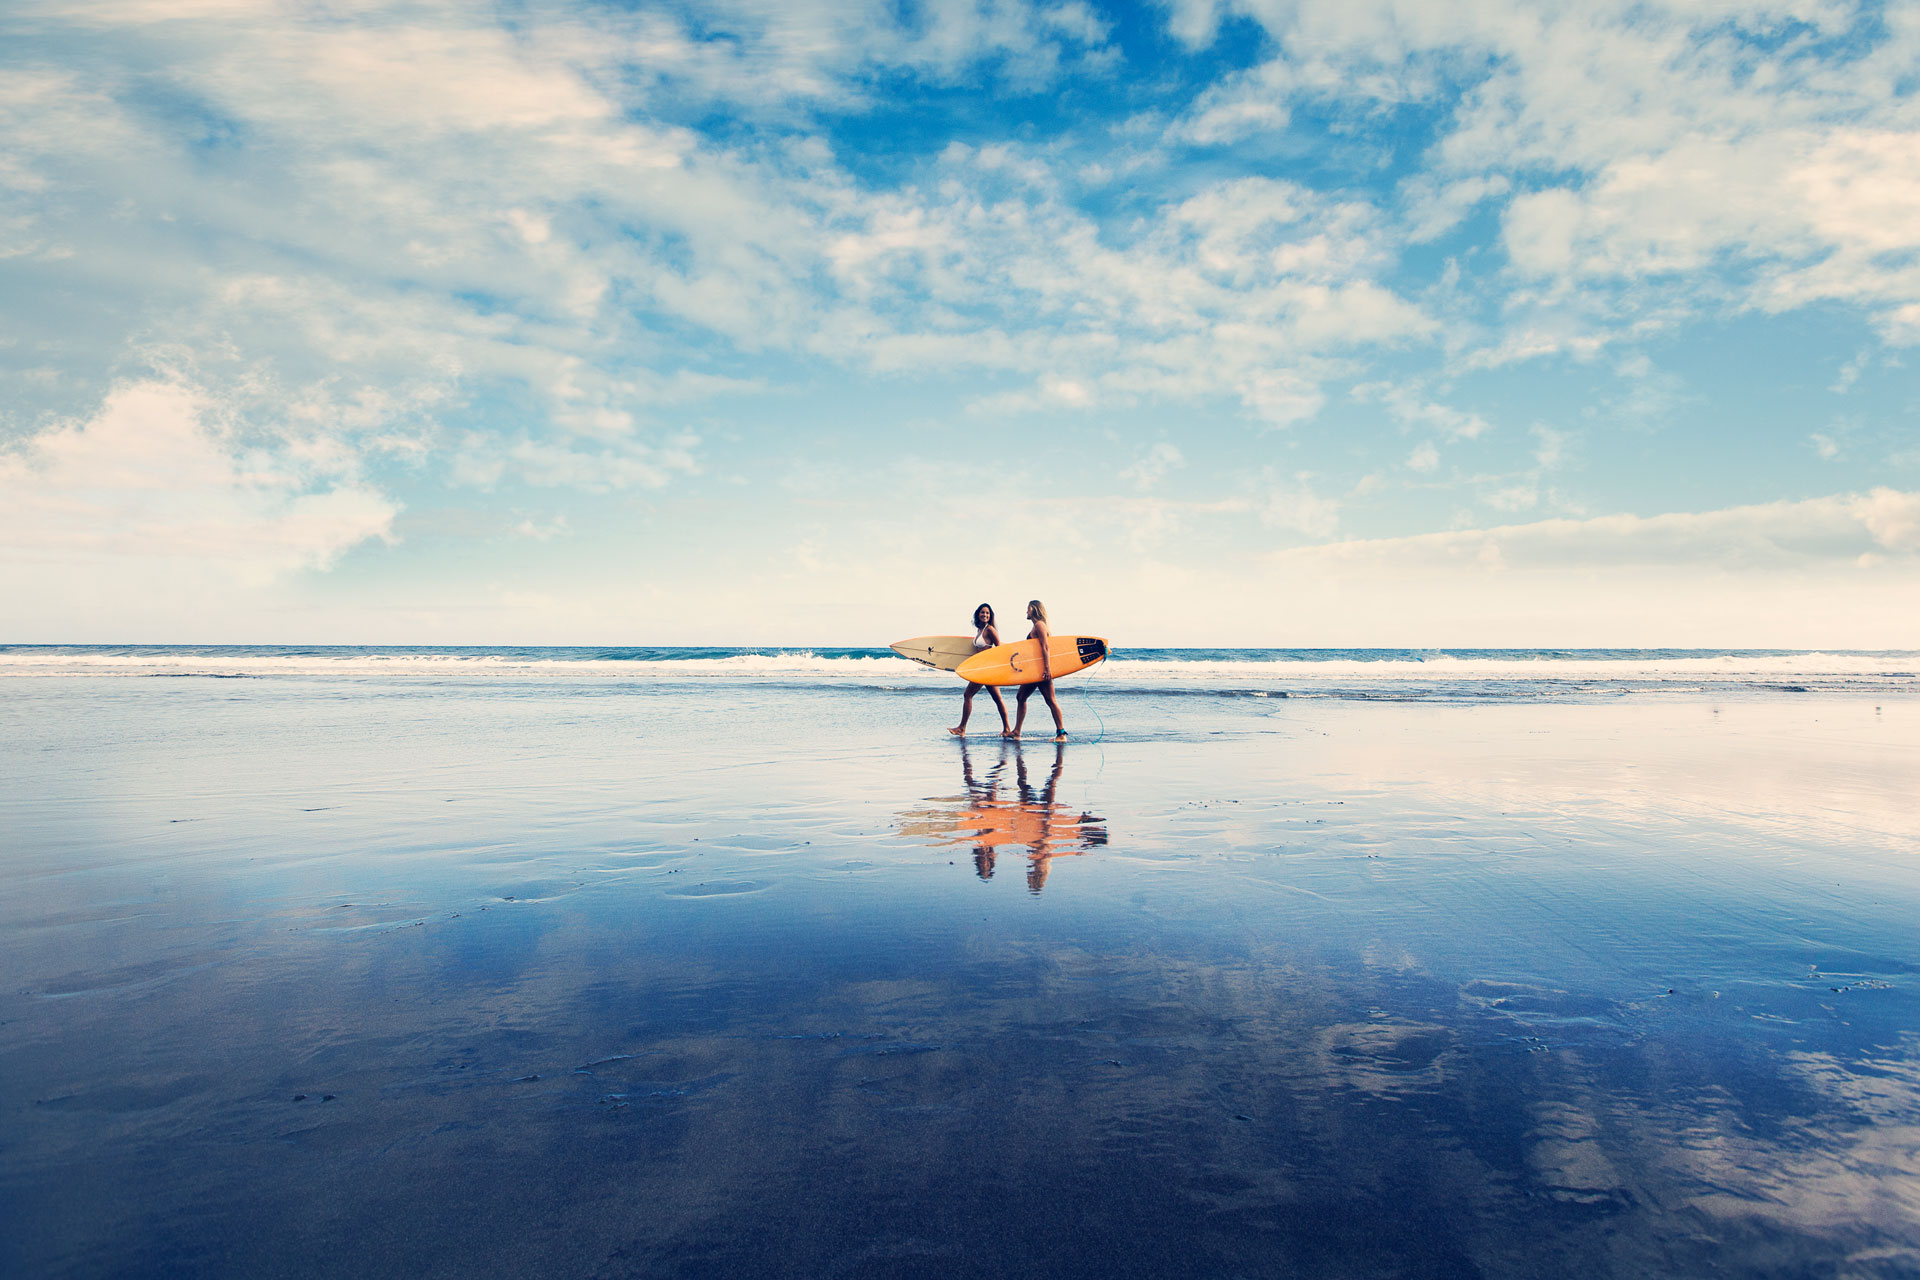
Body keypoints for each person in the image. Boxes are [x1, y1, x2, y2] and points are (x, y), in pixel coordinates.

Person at [1008, 598, 1067, 742]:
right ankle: (1016, 731)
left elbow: (1045, 647)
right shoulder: (1036, 627)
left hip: (1041, 671)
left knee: (1051, 700)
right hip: (1034, 671)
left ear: (1034, 609)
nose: (1026, 611)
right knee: (1021, 697)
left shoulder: (1040, 625)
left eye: (1028, 608)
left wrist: (1047, 669)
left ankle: (1061, 734)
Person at [949, 603, 1011, 737]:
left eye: (987, 613)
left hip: (986, 669)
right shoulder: (980, 630)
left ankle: (962, 728)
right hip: (982, 668)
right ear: (978, 614)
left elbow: (999, 648)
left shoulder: (990, 630)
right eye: (983, 613)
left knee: (968, 695)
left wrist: (993, 666)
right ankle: (1007, 729)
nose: (985, 615)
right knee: (998, 699)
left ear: (990, 616)